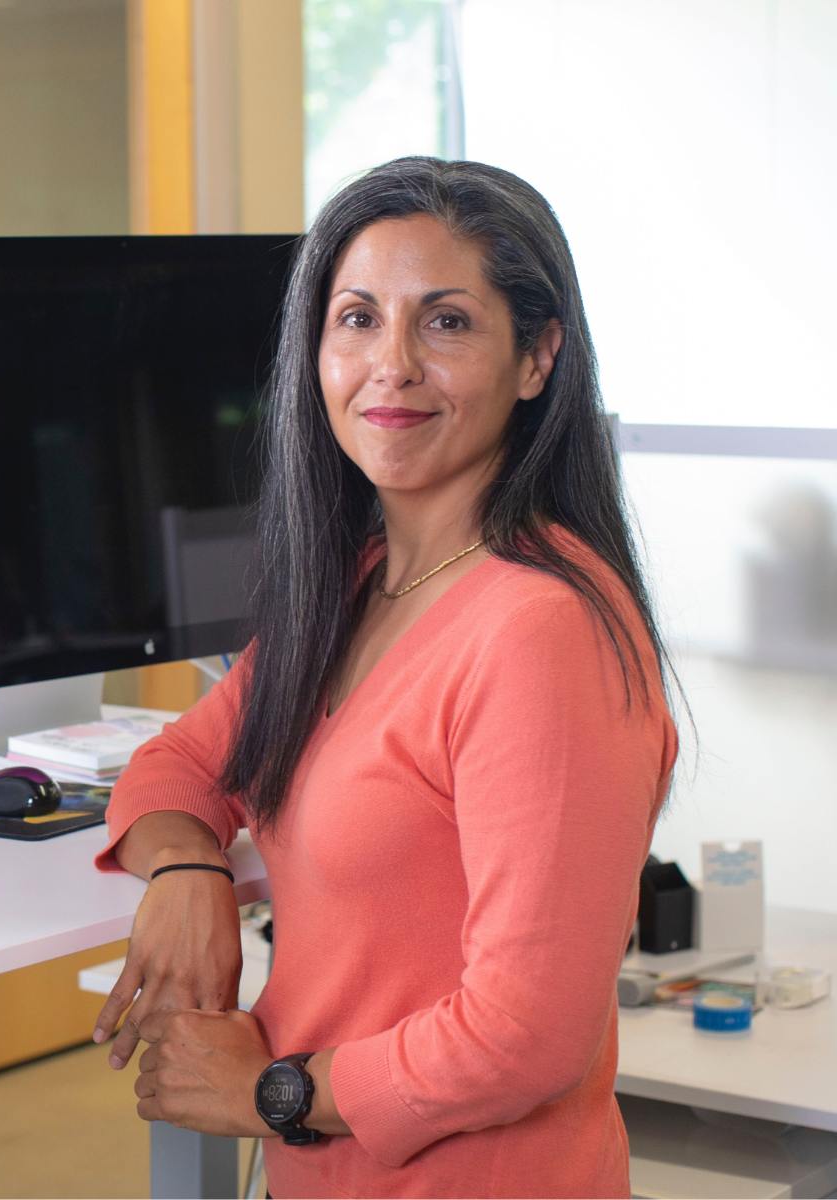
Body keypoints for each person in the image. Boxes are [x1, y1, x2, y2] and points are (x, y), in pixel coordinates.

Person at [91, 157, 683, 1199]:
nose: (391, 365)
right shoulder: (361, 581)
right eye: (357, 318)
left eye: (446, 323)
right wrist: (189, 875)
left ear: (537, 357)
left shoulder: (542, 631)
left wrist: (275, 1093)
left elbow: (526, 1032)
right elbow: (182, 761)